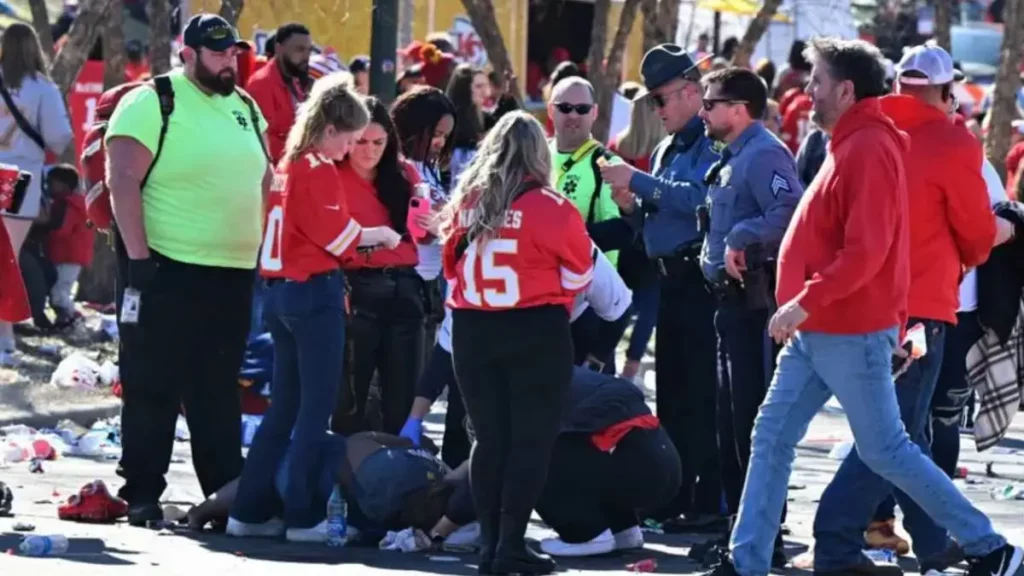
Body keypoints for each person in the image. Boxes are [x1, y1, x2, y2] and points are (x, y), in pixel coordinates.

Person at [702, 36, 1023, 576]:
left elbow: (868, 250)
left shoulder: (870, 146)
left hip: (850, 326)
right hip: (825, 328)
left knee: (888, 450)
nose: (807, 90)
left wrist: (802, 303)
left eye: (817, 81)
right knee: (776, 437)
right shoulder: (853, 140)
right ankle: (746, 562)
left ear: (845, 89)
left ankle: (988, 546)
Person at [813, 43, 1013, 574]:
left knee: (908, 433)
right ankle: (833, 540)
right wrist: (1006, 227)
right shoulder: (951, 142)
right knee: (893, 437)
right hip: (920, 311)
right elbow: (976, 236)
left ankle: (934, 542)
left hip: (852, 303)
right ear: (947, 93)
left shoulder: (858, 131)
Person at [105, 13, 271, 526]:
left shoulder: (245, 105)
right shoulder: (153, 100)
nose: (229, 61)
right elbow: (123, 179)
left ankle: (223, 494)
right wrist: (138, 258)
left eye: (232, 52)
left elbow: (264, 176)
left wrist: (260, 247)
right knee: (152, 384)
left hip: (232, 271)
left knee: (218, 388)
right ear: (189, 53)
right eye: (217, 52)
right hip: (164, 268)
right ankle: (142, 494)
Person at [228, 74, 401, 543]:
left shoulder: (286, 164)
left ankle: (247, 510)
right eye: (350, 137)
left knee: (282, 408)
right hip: (312, 293)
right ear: (330, 130)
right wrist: (382, 236)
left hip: (279, 291)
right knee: (314, 411)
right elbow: (339, 238)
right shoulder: (318, 167)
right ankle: (303, 517)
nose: (352, 147)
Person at [439, 111, 595, 575]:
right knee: (530, 441)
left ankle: (489, 545)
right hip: (534, 328)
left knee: (489, 440)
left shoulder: (467, 202)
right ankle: (510, 543)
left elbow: (451, 270)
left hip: (473, 330)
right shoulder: (553, 206)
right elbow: (580, 274)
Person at [599, 43, 724, 533]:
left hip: (701, 282)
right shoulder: (666, 146)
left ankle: (708, 502)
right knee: (672, 394)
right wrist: (630, 202)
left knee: (704, 397)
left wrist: (639, 182)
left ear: (691, 93)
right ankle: (675, 495)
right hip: (668, 279)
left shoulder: (714, 143)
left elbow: (701, 201)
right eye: (651, 101)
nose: (656, 110)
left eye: (661, 99)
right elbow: (650, 218)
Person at [697, 67, 802, 566]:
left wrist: (742, 236)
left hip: (752, 306)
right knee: (730, 424)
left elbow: (790, 210)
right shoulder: (734, 156)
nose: (704, 112)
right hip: (726, 305)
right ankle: (742, 533)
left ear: (739, 109)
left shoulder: (764, 154)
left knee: (752, 425)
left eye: (712, 103)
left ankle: (766, 538)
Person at [402, 245, 633, 467]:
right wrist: (415, 418)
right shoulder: (472, 272)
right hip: (504, 328)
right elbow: (445, 353)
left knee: (556, 436)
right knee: (466, 422)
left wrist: (595, 361)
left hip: (573, 329)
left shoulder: (577, 250)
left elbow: (619, 309)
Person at [332, 97, 426, 436]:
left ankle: (398, 477)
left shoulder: (404, 173)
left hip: (405, 288)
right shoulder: (332, 174)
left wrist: (430, 225)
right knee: (350, 401)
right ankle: (347, 478)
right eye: (361, 142)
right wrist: (374, 239)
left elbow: (421, 238)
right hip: (355, 291)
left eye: (379, 143)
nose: (370, 151)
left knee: (402, 397)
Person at [537, 367, 681, 558]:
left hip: (634, 470)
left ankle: (585, 535)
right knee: (578, 443)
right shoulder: (569, 373)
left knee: (530, 458)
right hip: (668, 471)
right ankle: (622, 530)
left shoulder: (523, 381)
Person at [0, 23, 73, 363]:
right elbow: (59, 138)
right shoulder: (43, 87)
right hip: (17, 176)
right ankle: (4, 336)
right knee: (7, 260)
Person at [389, 85, 456, 364]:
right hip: (405, 282)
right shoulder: (398, 166)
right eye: (436, 134)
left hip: (429, 285)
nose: (440, 143)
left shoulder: (429, 166)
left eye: (445, 136)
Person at [246, 22, 313, 165]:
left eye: (309, 50)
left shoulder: (297, 80)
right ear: (279, 48)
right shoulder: (261, 84)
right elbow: (262, 139)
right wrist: (301, 151)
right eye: (300, 49)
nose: (306, 56)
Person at [43, 164, 92, 327]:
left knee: (59, 292)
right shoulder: (76, 203)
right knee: (60, 289)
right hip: (70, 254)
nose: (47, 186)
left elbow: (62, 229)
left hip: (67, 255)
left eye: (51, 183)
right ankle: (64, 320)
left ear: (64, 185)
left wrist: (43, 229)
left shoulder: (68, 204)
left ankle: (73, 318)